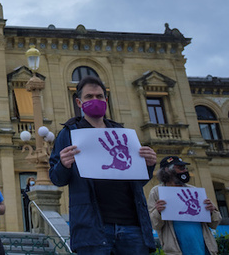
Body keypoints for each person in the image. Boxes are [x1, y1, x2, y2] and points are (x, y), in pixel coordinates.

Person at [48, 75, 158, 255]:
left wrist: (149, 164)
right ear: (79, 102)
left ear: (106, 100)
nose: (95, 100)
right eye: (89, 97)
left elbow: (138, 181)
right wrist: (63, 164)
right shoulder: (69, 134)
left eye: (99, 96)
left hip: (132, 226)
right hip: (92, 229)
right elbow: (56, 179)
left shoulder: (123, 133)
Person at [148, 156, 221, 255]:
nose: (185, 171)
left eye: (185, 168)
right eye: (181, 168)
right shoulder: (156, 192)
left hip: (205, 249)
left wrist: (212, 211)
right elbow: (154, 224)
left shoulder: (194, 190)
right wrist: (158, 212)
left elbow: (214, 223)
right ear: (167, 170)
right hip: (177, 250)